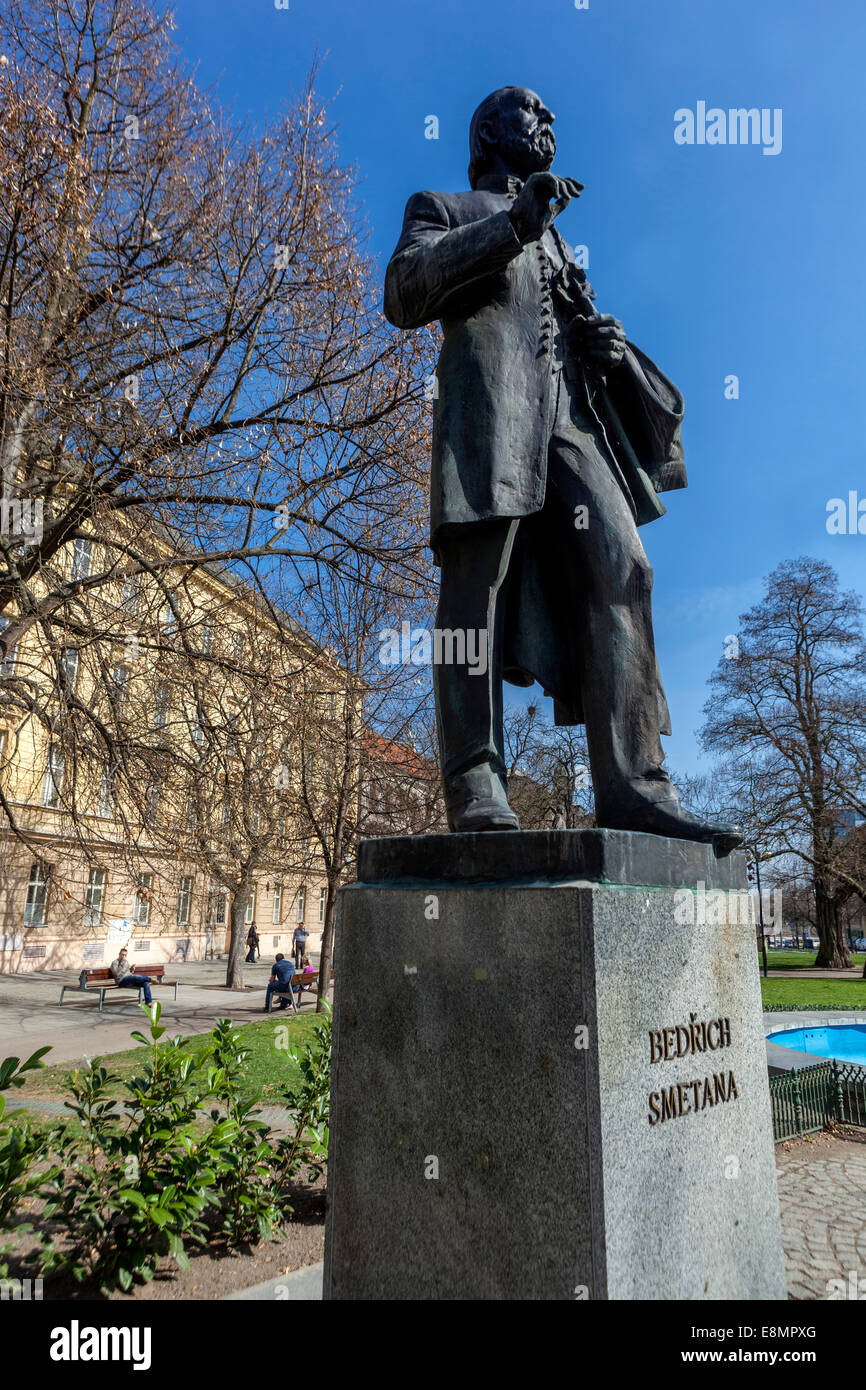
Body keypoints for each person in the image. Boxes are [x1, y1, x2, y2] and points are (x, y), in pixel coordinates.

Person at [384, 86, 740, 849]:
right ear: (488, 131)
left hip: (571, 422)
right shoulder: (443, 206)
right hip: (491, 424)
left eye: (549, 115)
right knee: (474, 593)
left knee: (625, 569)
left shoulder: (558, 246)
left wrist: (603, 348)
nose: (547, 122)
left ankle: (634, 784)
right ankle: (476, 777)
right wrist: (515, 222)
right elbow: (405, 292)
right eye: (529, 111)